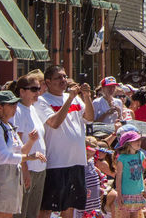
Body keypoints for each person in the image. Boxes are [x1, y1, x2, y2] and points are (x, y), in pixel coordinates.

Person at [37, 65, 93, 218]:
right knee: (47, 207)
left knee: (70, 206)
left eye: (64, 76)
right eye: (58, 77)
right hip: (56, 162)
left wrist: (86, 97)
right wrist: (69, 99)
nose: (63, 80)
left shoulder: (76, 99)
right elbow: (54, 123)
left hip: (77, 160)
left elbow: (89, 118)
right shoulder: (42, 101)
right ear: (47, 82)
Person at [0, 91, 44, 218]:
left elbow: (21, 152)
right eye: (11, 105)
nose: (15, 107)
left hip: (12, 177)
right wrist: (29, 157)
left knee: (8, 214)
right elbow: (3, 156)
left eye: (16, 104)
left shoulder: (8, 126)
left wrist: (31, 141)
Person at [12, 71, 48, 218]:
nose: (37, 92)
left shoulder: (33, 108)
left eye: (38, 89)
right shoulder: (18, 111)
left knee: (33, 213)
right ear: (22, 91)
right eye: (33, 89)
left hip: (40, 169)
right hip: (28, 169)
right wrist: (25, 169)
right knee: (22, 212)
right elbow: (17, 144)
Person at [115, 131, 146, 218]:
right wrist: (119, 194)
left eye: (139, 140)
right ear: (128, 143)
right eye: (136, 140)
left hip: (137, 192)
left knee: (135, 216)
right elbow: (118, 178)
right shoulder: (122, 158)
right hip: (125, 193)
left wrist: (145, 189)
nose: (139, 142)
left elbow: (141, 174)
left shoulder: (141, 155)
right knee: (125, 216)